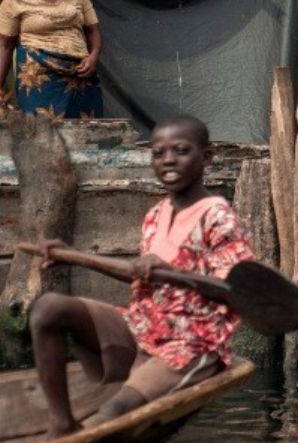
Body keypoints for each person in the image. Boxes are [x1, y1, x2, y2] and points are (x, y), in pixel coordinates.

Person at [29, 115, 253, 437]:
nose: (168, 160)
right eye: (158, 153)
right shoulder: (155, 215)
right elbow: (141, 276)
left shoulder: (219, 217)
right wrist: (70, 255)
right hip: (142, 328)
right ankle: (62, 423)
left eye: (181, 150)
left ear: (206, 158)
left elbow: (235, 290)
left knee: (114, 412)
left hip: (190, 343)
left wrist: (175, 273)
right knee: (48, 308)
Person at [0, 0, 104, 119]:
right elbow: (5, 46)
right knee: (42, 135)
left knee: (86, 135)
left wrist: (93, 56)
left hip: (80, 74)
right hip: (39, 78)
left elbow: (93, 30)